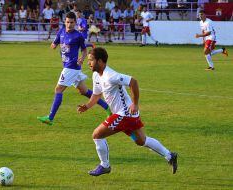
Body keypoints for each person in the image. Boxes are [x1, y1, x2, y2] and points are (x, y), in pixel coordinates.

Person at [77, 47, 178, 176]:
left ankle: (105, 165)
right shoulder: (96, 75)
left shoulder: (110, 76)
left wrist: (135, 103)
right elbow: (96, 95)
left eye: (91, 60)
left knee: (97, 135)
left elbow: (133, 82)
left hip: (124, 115)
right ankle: (170, 156)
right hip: (128, 115)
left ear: (100, 61)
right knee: (141, 141)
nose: (88, 62)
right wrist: (87, 106)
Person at [37, 12, 111, 126]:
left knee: (58, 89)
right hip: (71, 68)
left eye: (71, 22)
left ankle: (50, 118)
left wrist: (82, 57)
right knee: (84, 91)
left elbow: (84, 49)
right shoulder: (61, 31)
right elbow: (55, 42)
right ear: (65, 22)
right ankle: (107, 108)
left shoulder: (78, 36)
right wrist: (53, 45)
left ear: (75, 23)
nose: (69, 24)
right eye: (67, 22)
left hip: (71, 67)